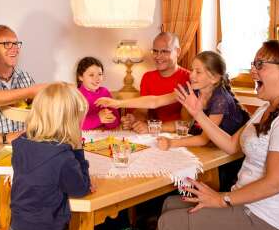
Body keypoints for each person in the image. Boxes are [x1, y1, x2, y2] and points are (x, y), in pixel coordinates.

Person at [157, 40, 279, 230]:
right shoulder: (264, 109)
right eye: (253, 64)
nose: (253, 71)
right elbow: (231, 145)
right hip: (242, 200)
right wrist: (198, 114)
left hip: (263, 217)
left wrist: (222, 199)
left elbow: (274, 184)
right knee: (170, 204)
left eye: (260, 65)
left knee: (169, 222)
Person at [97, 51, 249, 191]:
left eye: (198, 72)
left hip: (227, 158)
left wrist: (171, 143)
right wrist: (117, 103)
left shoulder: (220, 99)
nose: (192, 75)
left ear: (214, 78)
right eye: (192, 70)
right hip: (209, 146)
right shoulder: (193, 89)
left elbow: (204, 139)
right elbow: (155, 101)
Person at [10, 82, 92, 230]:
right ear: (70, 122)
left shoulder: (20, 143)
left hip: (17, 226)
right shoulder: (63, 157)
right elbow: (80, 189)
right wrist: (78, 149)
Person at [121, 32, 190, 134]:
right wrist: (134, 119)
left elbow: (186, 122)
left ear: (178, 51)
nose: (158, 56)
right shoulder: (148, 77)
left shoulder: (190, 78)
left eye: (164, 51)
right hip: (153, 135)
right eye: (155, 51)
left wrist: (153, 128)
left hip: (179, 136)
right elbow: (142, 111)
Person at [76, 56, 120, 130]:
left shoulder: (105, 92)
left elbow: (116, 121)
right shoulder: (76, 95)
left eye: (100, 74)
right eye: (91, 75)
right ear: (80, 77)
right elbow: (74, 124)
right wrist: (99, 118)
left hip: (101, 137)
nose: (97, 79)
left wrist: (109, 119)